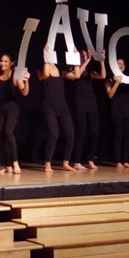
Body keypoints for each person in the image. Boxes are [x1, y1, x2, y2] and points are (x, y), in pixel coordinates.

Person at [38, 44, 81, 173]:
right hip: (49, 106)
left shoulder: (60, 71)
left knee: (71, 134)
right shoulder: (42, 69)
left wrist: (76, 59)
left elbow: (77, 75)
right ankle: (47, 163)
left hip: (63, 107)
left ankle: (66, 162)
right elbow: (45, 74)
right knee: (54, 134)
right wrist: (45, 57)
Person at [0, 46, 29, 174]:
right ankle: (8, 165)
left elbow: (25, 92)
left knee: (8, 132)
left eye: (5, 61)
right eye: (1, 61)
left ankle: (15, 163)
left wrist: (27, 80)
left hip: (12, 109)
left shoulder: (15, 76)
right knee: (2, 135)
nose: (2, 63)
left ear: (11, 63)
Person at [105, 58, 129, 169]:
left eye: (123, 64)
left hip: (128, 111)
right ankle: (118, 161)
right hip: (116, 111)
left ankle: (125, 160)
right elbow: (110, 95)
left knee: (128, 137)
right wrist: (117, 83)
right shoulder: (110, 79)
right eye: (119, 63)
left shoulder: (128, 81)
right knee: (119, 136)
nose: (121, 65)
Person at [70, 49, 106, 170]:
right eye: (82, 56)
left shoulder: (90, 72)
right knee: (81, 133)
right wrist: (87, 60)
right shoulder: (74, 70)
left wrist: (102, 61)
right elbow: (78, 75)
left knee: (95, 133)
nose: (83, 58)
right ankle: (77, 161)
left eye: (85, 56)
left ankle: (90, 159)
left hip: (92, 104)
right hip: (80, 104)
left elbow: (103, 76)